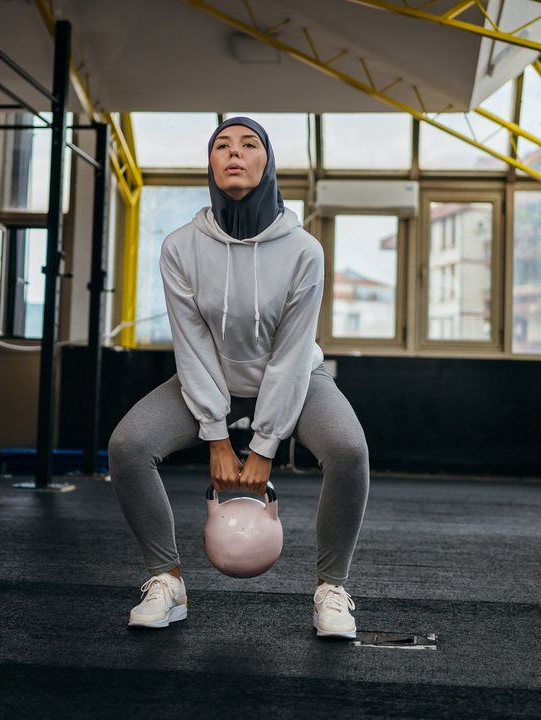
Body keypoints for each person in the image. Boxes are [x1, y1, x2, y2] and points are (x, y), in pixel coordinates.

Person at [107, 117, 370, 638]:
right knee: (127, 445)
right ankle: (166, 581)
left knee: (349, 450)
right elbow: (192, 344)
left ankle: (332, 589)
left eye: (249, 145)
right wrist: (216, 437)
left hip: (298, 376)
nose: (235, 153)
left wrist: (265, 446)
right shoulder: (180, 247)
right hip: (211, 379)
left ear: (267, 161)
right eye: (222, 145)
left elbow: (292, 355)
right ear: (210, 163)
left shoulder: (303, 251)